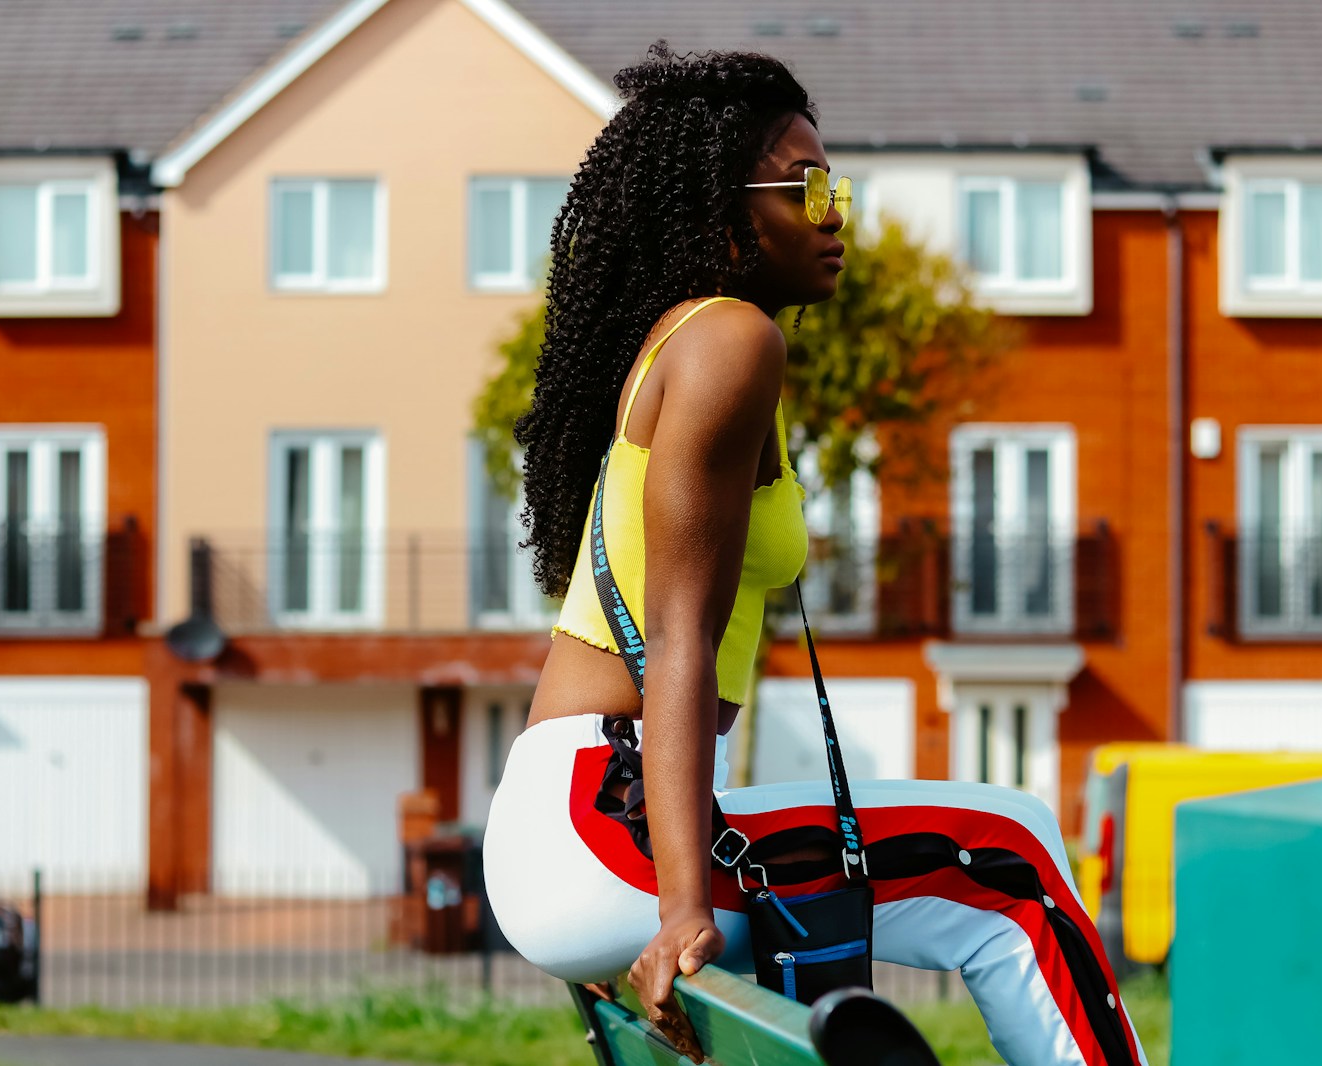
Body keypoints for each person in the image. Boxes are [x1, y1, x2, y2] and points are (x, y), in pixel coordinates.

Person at [483, 43, 1148, 1066]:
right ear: (719, 208)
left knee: (991, 849)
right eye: (806, 187)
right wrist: (682, 908)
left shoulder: (694, 344)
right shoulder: (728, 341)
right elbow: (675, 640)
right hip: (602, 824)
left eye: (835, 185)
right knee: (1008, 852)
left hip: (583, 821)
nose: (835, 212)